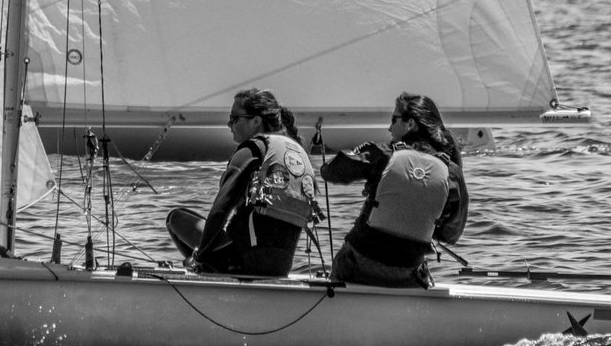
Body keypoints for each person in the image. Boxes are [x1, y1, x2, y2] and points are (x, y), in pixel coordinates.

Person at [321, 91, 469, 288]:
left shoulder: (383, 155)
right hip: (407, 274)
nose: (389, 127)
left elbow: (331, 172)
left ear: (410, 124)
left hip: (358, 266)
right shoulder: (452, 172)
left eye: (394, 120)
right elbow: (451, 234)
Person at [166, 88, 316, 277]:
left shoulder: (252, 150)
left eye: (235, 118)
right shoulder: (296, 153)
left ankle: (201, 270)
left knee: (177, 218)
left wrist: (200, 256)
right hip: (281, 266)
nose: (229, 124)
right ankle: (207, 268)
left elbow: (220, 211)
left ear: (256, 121)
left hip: (242, 262)